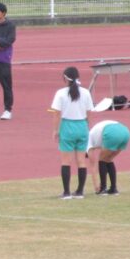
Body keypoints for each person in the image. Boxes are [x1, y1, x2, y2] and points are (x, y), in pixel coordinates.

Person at [50, 66, 94, 199]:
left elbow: (57, 114)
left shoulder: (61, 93)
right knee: (81, 161)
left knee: (66, 161)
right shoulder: (86, 92)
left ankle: (66, 192)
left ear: (65, 78)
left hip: (67, 126)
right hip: (82, 126)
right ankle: (80, 191)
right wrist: (87, 127)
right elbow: (89, 112)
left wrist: (56, 130)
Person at [86, 120, 130, 196]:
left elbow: (93, 165)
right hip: (125, 131)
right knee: (108, 159)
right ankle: (113, 188)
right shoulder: (93, 136)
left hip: (111, 131)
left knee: (101, 159)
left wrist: (96, 186)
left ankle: (102, 189)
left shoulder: (86, 143)